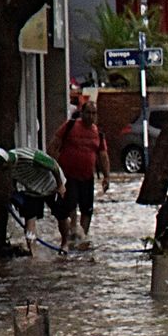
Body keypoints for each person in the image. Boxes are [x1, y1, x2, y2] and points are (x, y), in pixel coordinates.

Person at [48, 100, 110, 248]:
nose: (91, 116)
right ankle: (72, 233)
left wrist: (107, 176)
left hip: (87, 177)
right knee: (70, 205)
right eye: (88, 112)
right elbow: (54, 145)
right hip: (68, 176)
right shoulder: (70, 126)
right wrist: (53, 169)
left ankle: (83, 237)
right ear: (82, 113)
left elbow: (103, 156)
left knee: (87, 208)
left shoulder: (98, 134)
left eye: (94, 113)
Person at [0, 147, 67, 255]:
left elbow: (53, 165)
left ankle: (65, 244)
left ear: (5, 163)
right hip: (32, 189)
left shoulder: (28, 157)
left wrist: (60, 185)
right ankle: (33, 254)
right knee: (30, 220)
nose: (0, 171)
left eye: (0, 168)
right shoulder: (7, 167)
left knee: (61, 216)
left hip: (51, 185)